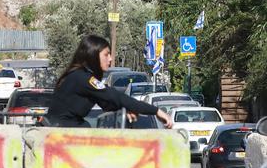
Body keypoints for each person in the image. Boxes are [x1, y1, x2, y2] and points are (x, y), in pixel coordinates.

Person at [46, 35, 174, 129]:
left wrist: (126, 108)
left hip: (63, 130)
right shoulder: (82, 78)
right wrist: (156, 111)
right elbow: (115, 96)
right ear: (93, 55)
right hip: (62, 132)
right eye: (106, 54)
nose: (111, 58)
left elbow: (108, 103)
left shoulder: (79, 76)